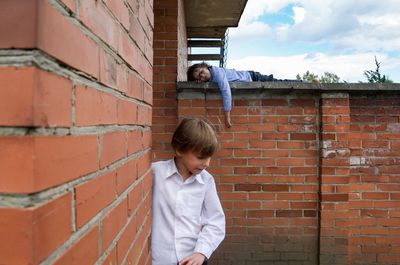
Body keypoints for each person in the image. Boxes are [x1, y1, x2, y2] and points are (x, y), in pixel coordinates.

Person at [151, 117, 226, 265]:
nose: (207, 164)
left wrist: (201, 252)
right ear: (179, 149)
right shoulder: (155, 173)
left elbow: (216, 222)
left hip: (193, 259)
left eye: (209, 157)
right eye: (200, 157)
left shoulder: (206, 181)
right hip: (160, 259)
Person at [187, 62, 282, 128]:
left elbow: (226, 91)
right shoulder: (212, 78)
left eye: (201, 72)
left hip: (253, 77)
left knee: (278, 82)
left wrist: (227, 117)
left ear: (205, 66)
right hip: (250, 77)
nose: (202, 76)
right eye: (199, 78)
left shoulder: (217, 73)